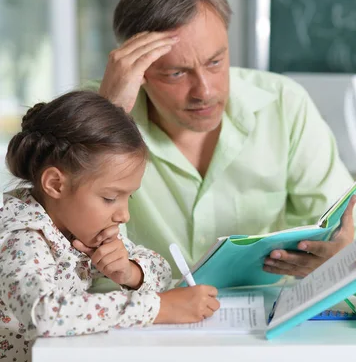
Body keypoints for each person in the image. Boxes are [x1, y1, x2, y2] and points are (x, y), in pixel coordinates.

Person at [90, 0, 356, 280]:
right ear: (136, 69)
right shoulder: (89, 114)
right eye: (176, 73)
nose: (205, 91)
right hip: (144, 316)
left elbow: (352, 219)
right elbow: (58, 244)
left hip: (263, 314)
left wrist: (342, 250)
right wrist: (108, 116)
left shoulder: (282, 104)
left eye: (215, 62)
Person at [0, 91, 220, 362]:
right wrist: (158, 309)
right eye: (109, 198)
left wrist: (130, 272)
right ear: (56, 184)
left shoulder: (78, 229)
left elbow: (162, 273)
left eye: (129, 197)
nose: (124, 215)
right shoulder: (20, 236)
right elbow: (44, 314)